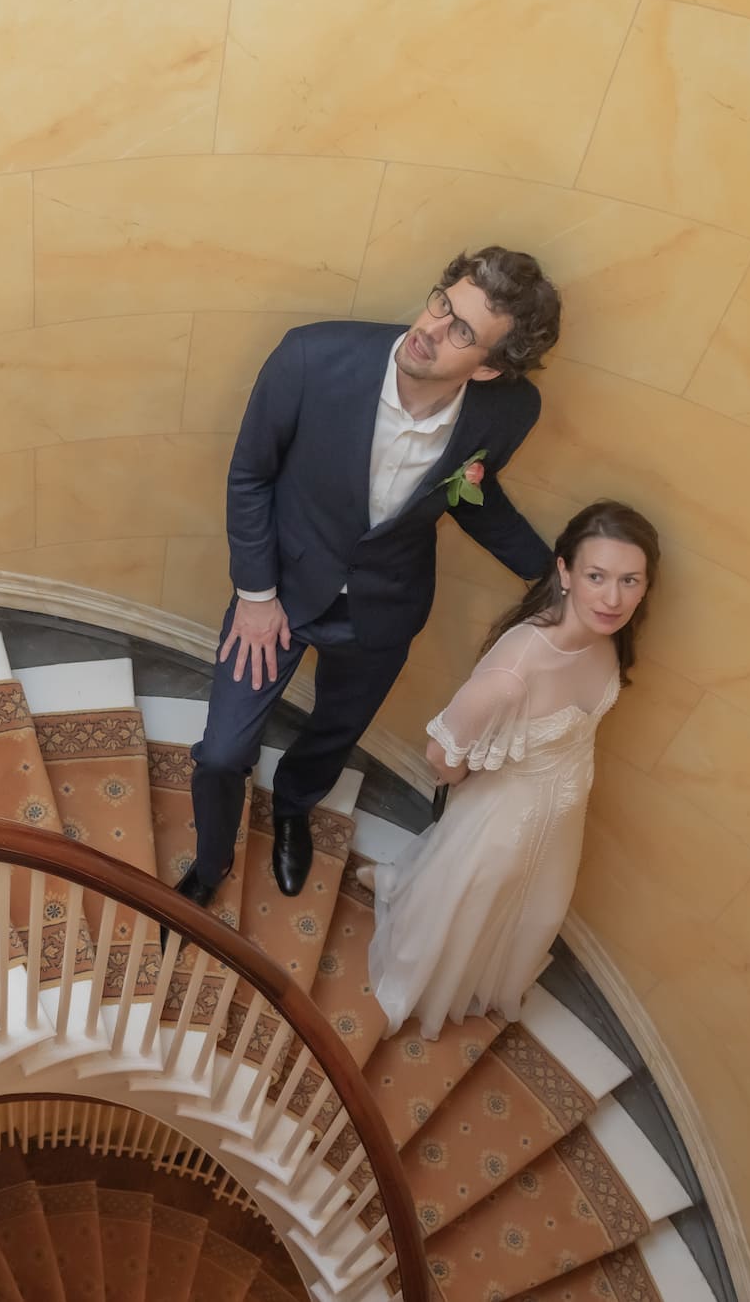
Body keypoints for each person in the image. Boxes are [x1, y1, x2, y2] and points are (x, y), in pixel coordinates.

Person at [181, 248, 562, 909]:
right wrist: (256, 596)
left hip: (384, 606)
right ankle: (210, 862)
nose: (431, 328)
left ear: (490, 367)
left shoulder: (508, 411)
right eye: (442, 302)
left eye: (461, 331)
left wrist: (549, 575)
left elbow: (474, 496)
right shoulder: (310, 357)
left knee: (335, 729)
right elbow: (250, 477)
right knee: (220, 752)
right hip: (281, 591)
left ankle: (293, 806)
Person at [363, 500, 659, 1039]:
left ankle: (480, 974)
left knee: (536, 915)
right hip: (502, 821)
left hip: (564, 819)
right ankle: (415, 987)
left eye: (629, 581)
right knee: (463, 911)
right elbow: (441, 755)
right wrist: (474, 791)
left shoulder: (609, 638)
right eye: (596, 576)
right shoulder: (514, 672)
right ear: (564, 573)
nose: (613, 598)